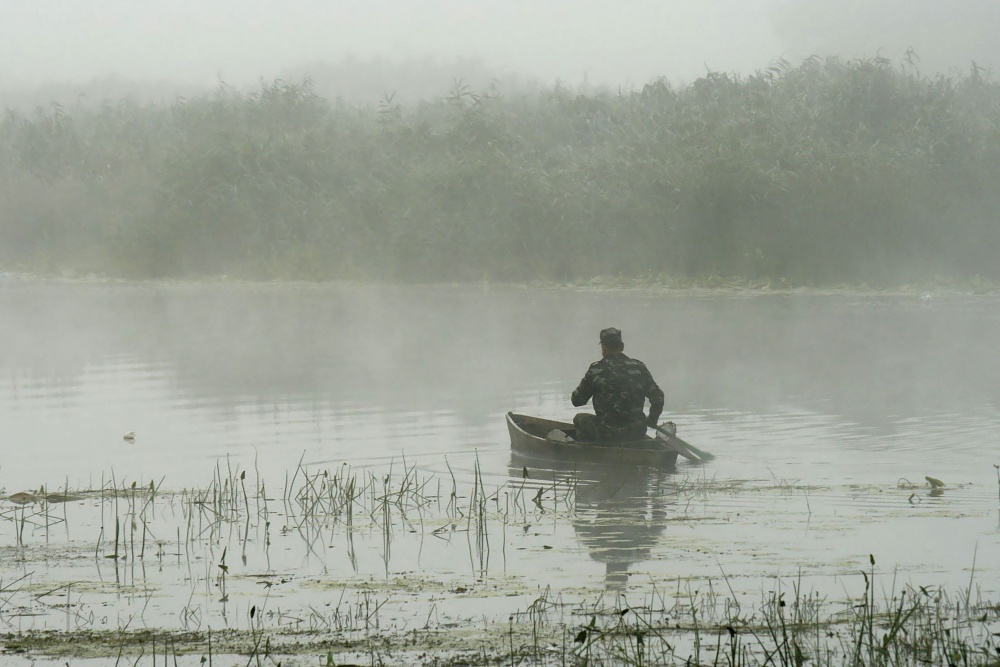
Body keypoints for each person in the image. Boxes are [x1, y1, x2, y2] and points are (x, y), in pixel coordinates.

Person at [571, 328, 664, 442]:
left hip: (607, 433)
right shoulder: (639, 367)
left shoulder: (596, 369)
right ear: (622, 346)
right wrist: (652, 420)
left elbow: (577, 401)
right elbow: (658, 398)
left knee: (579, 419)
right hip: (636, 432)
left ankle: (589, 453)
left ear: (604, 349)